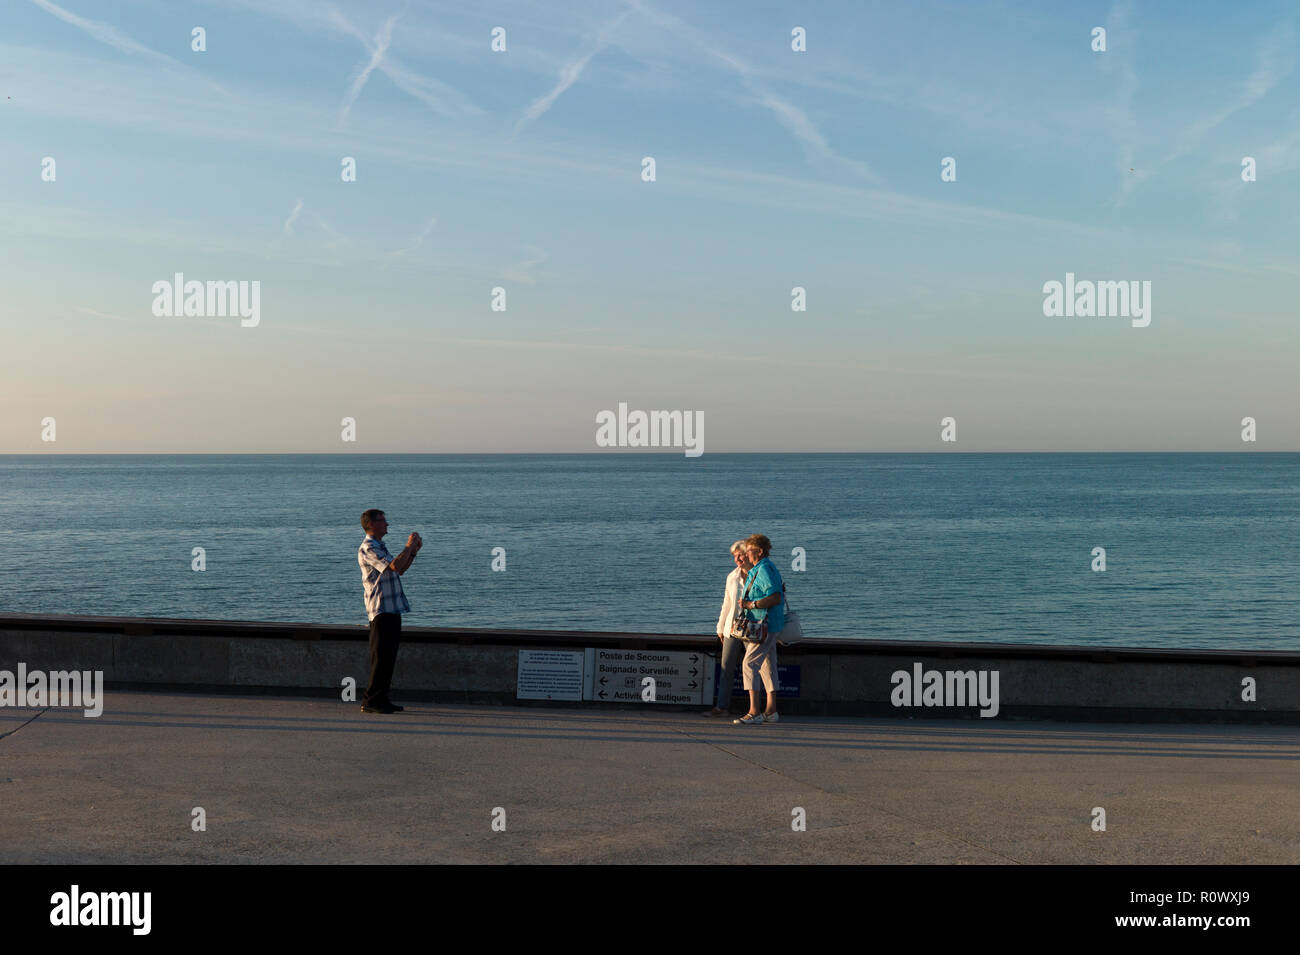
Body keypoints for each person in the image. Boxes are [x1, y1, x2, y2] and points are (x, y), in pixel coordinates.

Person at [357, 509, 422, 714]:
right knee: (381, 657)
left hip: (392, 608)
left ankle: (381, 698)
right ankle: (371, 700)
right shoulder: (368, 547)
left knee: (388, 657)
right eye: (383, 521)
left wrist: (412, 551)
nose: (387, 524)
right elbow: (394, 566)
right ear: (372, 524)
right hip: (381, 609)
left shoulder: (379, 546)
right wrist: (408, 546)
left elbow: (400, 568)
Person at [734, 534, 783, 725]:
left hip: (763, 625)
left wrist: (750, 604)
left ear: (759, 551)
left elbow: (775, 597)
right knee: (767, 665)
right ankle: (771, 711)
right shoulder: (764, 568)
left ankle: (754, 711)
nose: (746, 555)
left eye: (749, 551)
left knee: (749, 664)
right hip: (770, 625)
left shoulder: (764, 570)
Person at [706, 541, 752, 717]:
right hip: (732, 628)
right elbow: (727, 604)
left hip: (752, 628)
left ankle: (755, 709)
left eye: (740, 555)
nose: (737, 559)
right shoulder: (732, 577)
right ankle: (722, 707)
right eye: (734, 556)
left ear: (748, 554)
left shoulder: (758, 575)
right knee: (726, 668)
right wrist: (720, 627)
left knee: (754, 669)